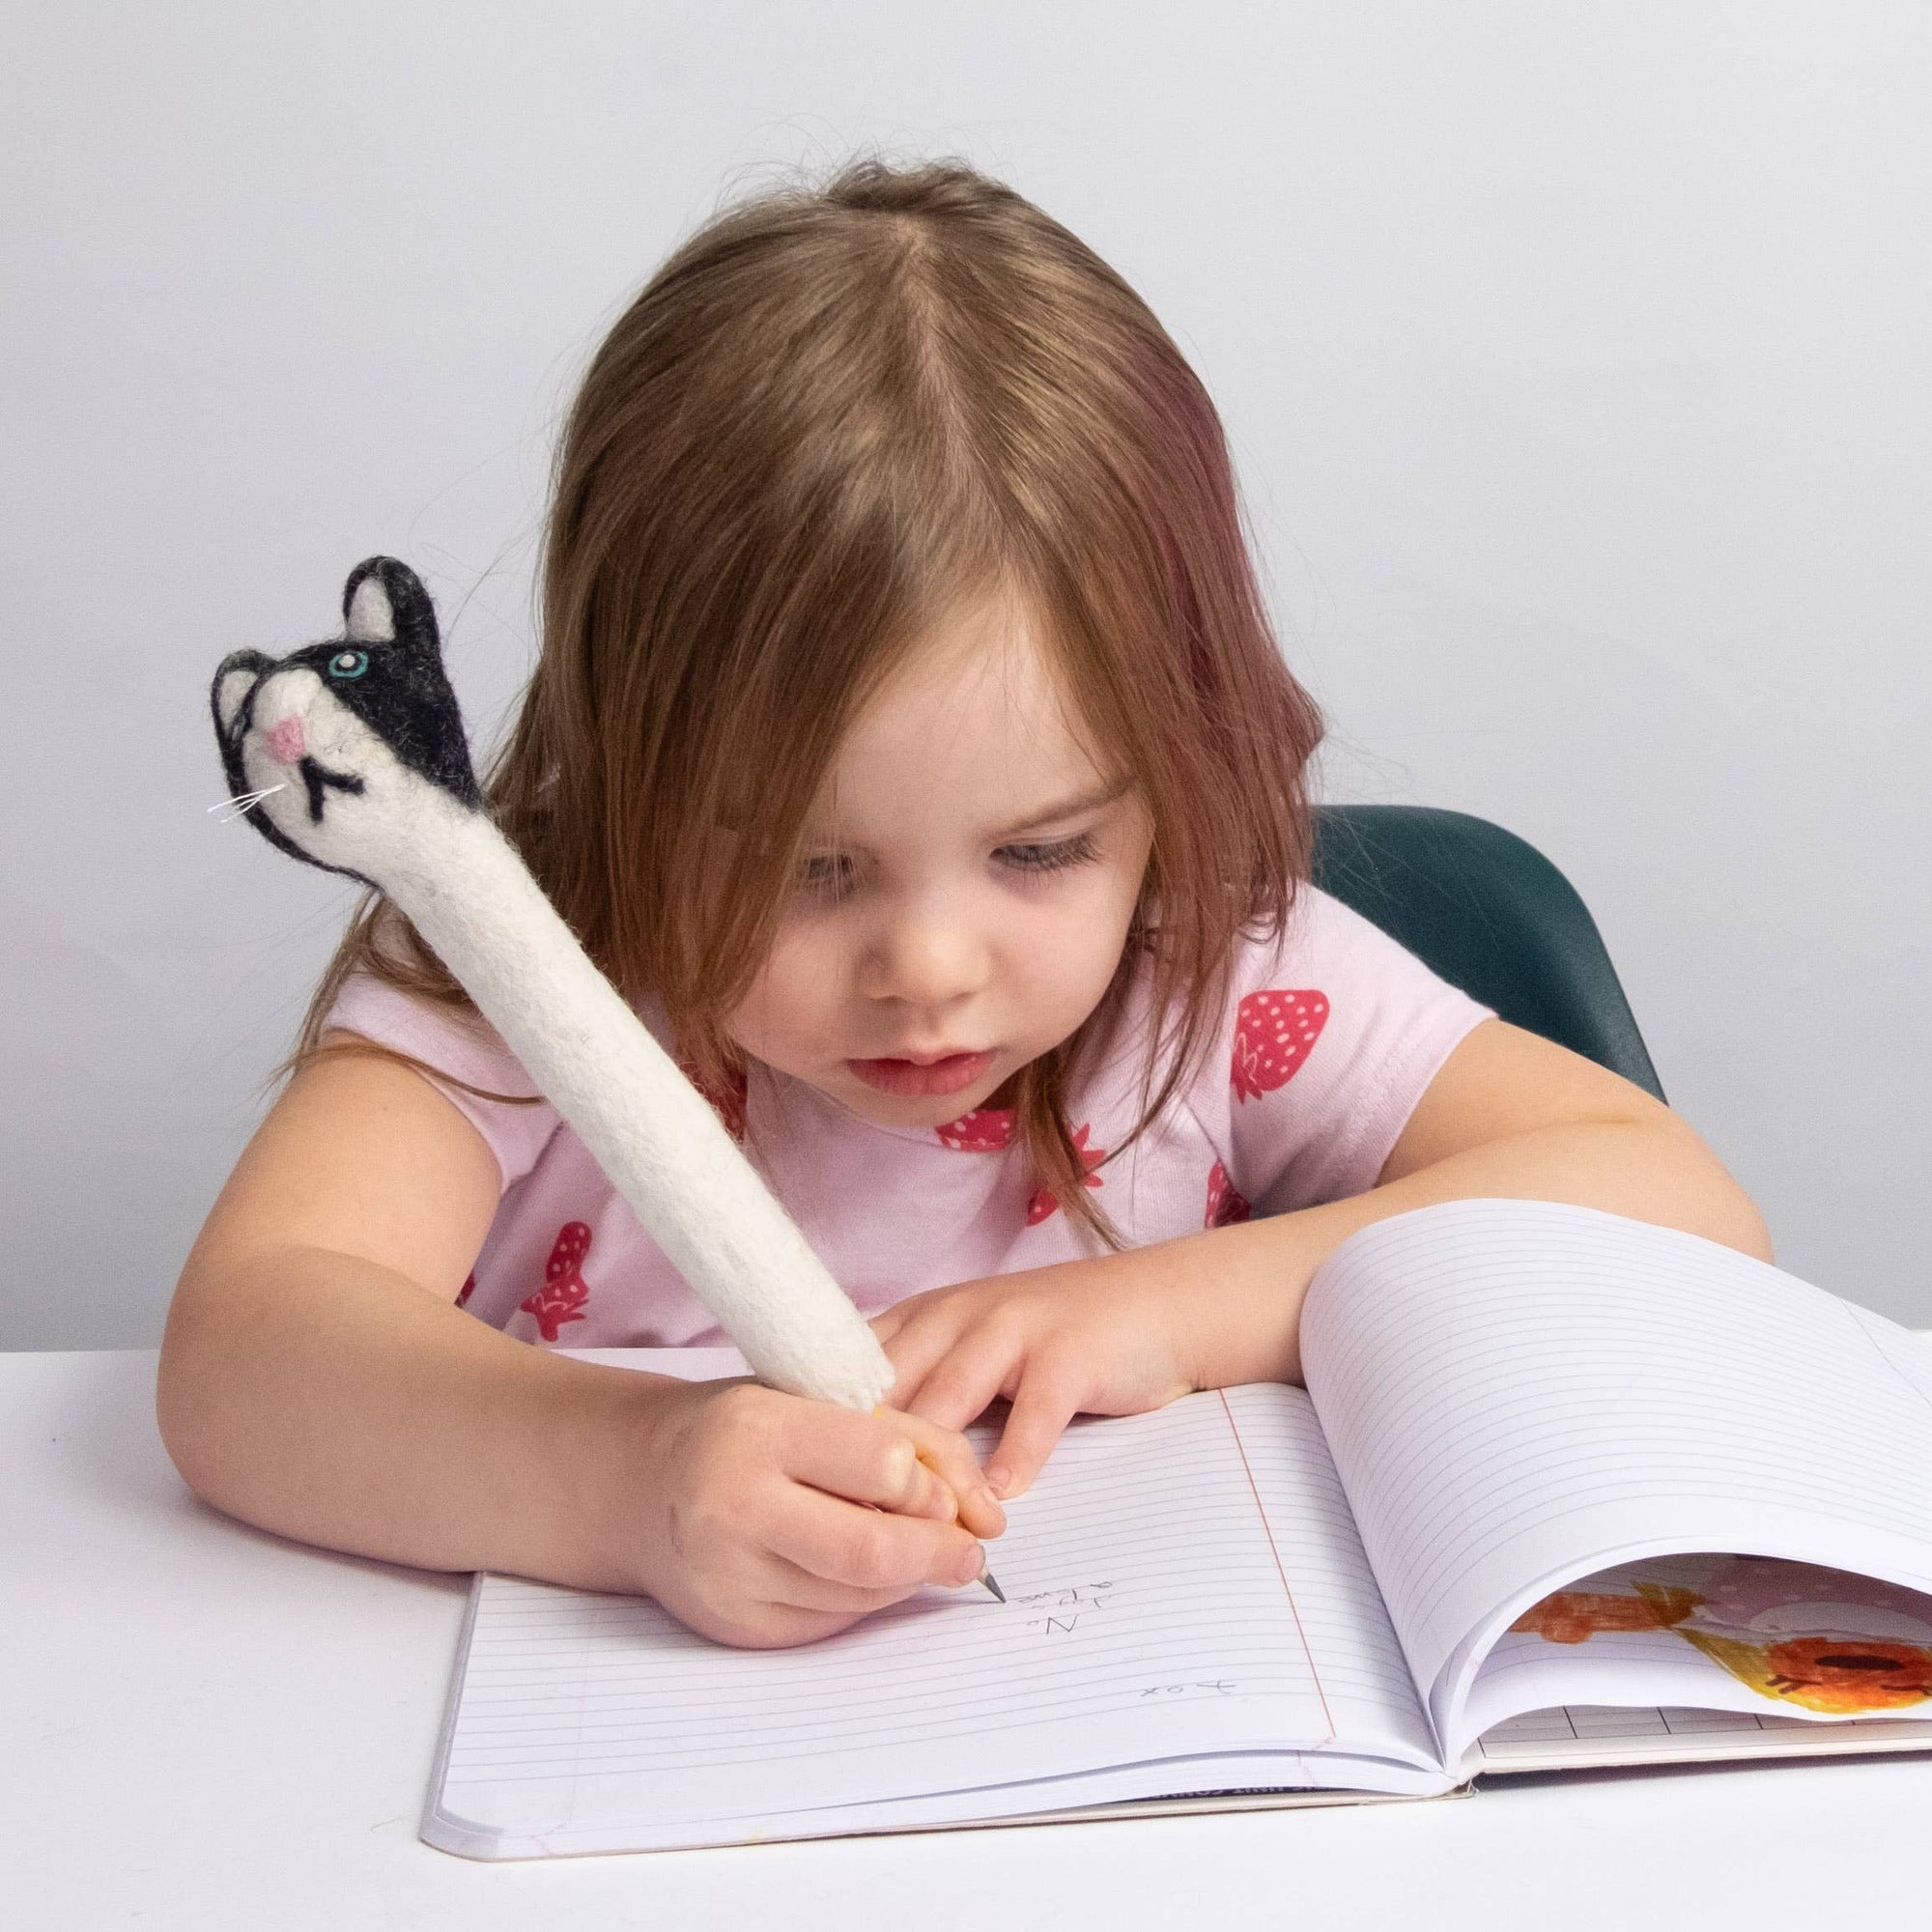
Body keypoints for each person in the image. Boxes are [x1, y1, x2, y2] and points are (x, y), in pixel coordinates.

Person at [157, 155, 1773, 1651]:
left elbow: (1678, 1204)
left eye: (1044, 851)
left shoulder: (1209, 974)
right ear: (631, 771)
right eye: (806, 867)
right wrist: (628, 1483)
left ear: (1178, 769)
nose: (928, 972)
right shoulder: (525, 970)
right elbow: (245, 1357)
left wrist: (1173, 1305)